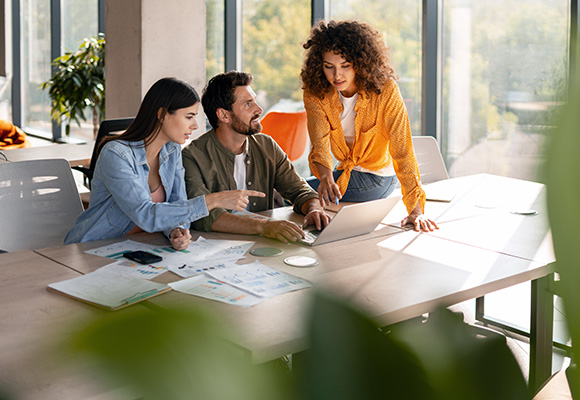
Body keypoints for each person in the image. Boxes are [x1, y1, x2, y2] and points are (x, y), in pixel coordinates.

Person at [65, 77, 264, 250]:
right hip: (94, 248)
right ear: (161, 115)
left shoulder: (172, 150)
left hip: (141, 247)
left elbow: (177, 205)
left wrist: (176, 230)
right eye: (189, 117)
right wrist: (214, 200)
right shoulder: (116, 155)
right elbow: (145, 215)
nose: (195, 126)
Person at [300, 20, 438, 232]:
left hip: (378, 179)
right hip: (346, 173)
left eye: (345, 66)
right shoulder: (316, 93)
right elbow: (319, 144)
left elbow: (403, 151)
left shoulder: (386, 91)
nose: (337, 75)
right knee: (297, 191)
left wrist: (416, 210)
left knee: (294, 192)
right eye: (329, 67)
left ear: (360, 63)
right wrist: (326, 177)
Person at [182, 71, 331, 243]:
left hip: (265, 243)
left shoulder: (266, 145)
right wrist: (263, 227)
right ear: (223, 115)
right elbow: (203, 216)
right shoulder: (192, 156)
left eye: (255, 101)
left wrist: (314, 209)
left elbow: (299, 190)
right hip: (218, 246)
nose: (259, 110)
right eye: (248, 104)